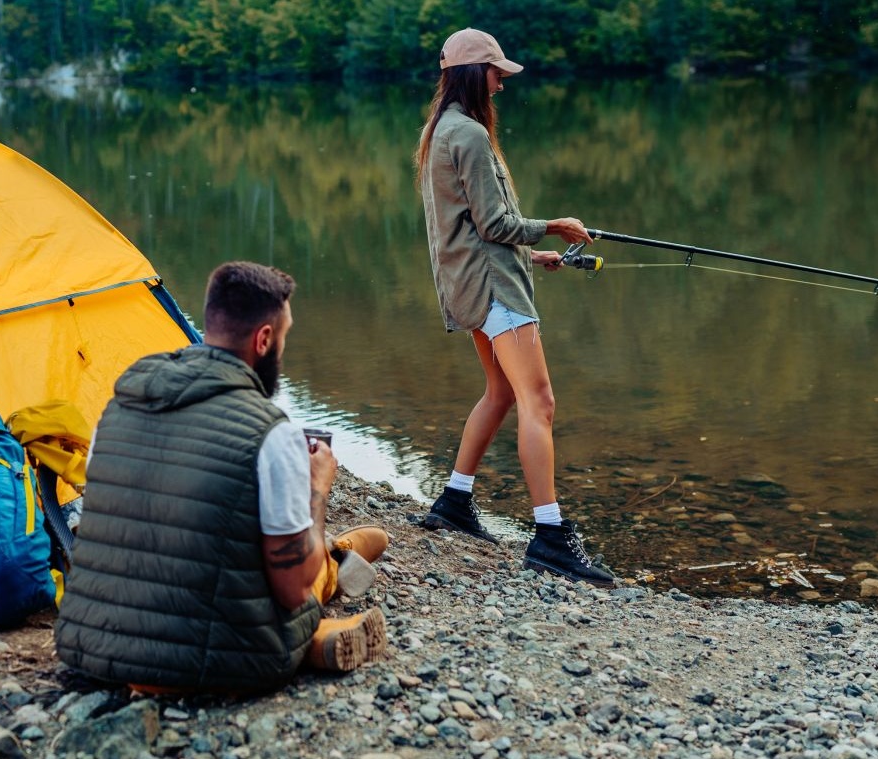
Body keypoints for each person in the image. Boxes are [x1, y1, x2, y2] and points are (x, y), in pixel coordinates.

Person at [55, 261, 390, 694]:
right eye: (283, 339)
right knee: (302, 583)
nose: (281, 353)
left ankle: (335, 560)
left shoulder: (118, 405)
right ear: (264, 339)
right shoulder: (272, 432)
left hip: (93, 647)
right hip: (209, 663)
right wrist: (316, 490)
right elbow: (291, 590)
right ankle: (331, 572)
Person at [414, 27, 615, 587]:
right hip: (493, 289)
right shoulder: (471, 136)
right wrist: (554, 225)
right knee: (540, 401)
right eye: (497, 72)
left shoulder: (442, 130)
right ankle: (550, 536)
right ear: (476, 73)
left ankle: (454, 502)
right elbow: (495, 224)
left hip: (470, 284)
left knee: (502, 393)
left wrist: (534, 253)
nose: (502, 81)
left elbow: (469, 228)